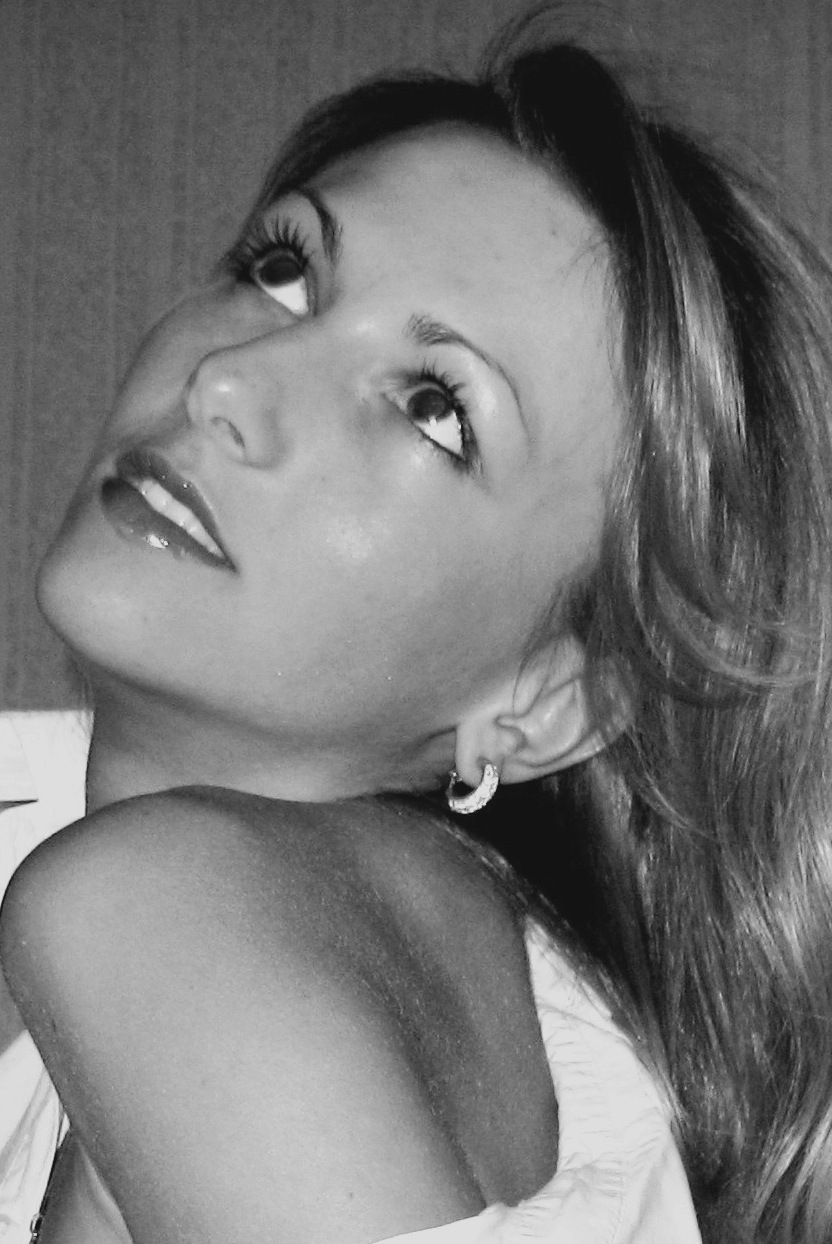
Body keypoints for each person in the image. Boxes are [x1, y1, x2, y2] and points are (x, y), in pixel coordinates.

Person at [2, 11, 832, 1243]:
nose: (228, 382)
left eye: (436, 408)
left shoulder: (156, 910)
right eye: (280, 271)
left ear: (543, 700)